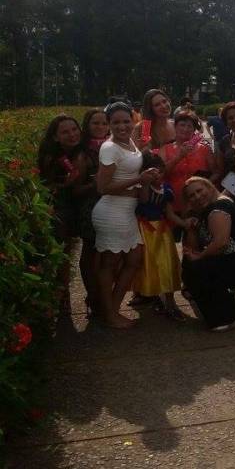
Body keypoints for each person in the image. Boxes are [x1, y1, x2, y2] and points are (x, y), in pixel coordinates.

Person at [91, 102, 160, 328]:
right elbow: (103, 187)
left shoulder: (130, 142)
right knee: (110, 264)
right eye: (116, 122)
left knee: (133, 260)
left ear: (133, 120)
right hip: (111, 211)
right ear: (109, 124)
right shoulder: (110, 148)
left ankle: (111, 308)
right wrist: (139, 180)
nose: (122, 126)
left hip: (127, 211)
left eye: (126, 121)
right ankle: (110, 314)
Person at [181, 177, 235, 331]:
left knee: (196, 268)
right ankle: (223, 310)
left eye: (200, 191)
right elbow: (191, 248)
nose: (197, 197)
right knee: (190, 264)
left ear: (209, 187)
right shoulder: (204, 211)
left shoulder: (218, 209)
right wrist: (191, 227)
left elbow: (221, 243)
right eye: (191, 196)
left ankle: (227, 316)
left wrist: (199, 257)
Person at [37, 114, 91, 309]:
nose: (72, 135)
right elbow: (45, 187)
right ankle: (62, 295)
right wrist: (64, 184)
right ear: (55, 137)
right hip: (61, 206)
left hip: (81, 202)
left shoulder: (83, 150)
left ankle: (86, 294)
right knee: (63, 251)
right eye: (65, 132)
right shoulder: (50, 156)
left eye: (74, 129)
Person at [134, 153, 194, 321]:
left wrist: (184, 223)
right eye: (152, 172)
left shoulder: (166, 189)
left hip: (162, 230)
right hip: (145, 230)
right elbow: (144, 201)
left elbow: (169, 213)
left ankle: (170, 301)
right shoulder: (141, 188)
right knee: (148, 265)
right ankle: (149, 296)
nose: (157, 175)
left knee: (166, 264)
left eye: (160, 171)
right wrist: (145, 183)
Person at [76, 109, 110, 314]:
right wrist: (94, 184)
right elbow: (76, 189)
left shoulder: (114, 146)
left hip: (113, 206)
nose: (100, 127)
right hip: (91, 208)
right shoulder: (83, 153)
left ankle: (103, 294)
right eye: (95, 123)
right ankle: (92, 296)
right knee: (90, 252)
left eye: (104, 123)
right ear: (87, 127)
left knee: (107, 253)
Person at [160, 110, 219, 216]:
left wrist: (203, 187)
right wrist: (179, 157)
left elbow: (216, 172)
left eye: (189, 126)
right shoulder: (165, 149)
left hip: (201, 204)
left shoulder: (204, 149)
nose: (185, 129)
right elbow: (160, 174)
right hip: (173, 206)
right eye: (182, 125)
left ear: (194, 130)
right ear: (175, 126)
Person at [215, 101, 235, 181]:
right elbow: (220, 172)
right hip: (232, 190)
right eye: (230, 118)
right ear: (226, 123)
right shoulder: (223, 142)